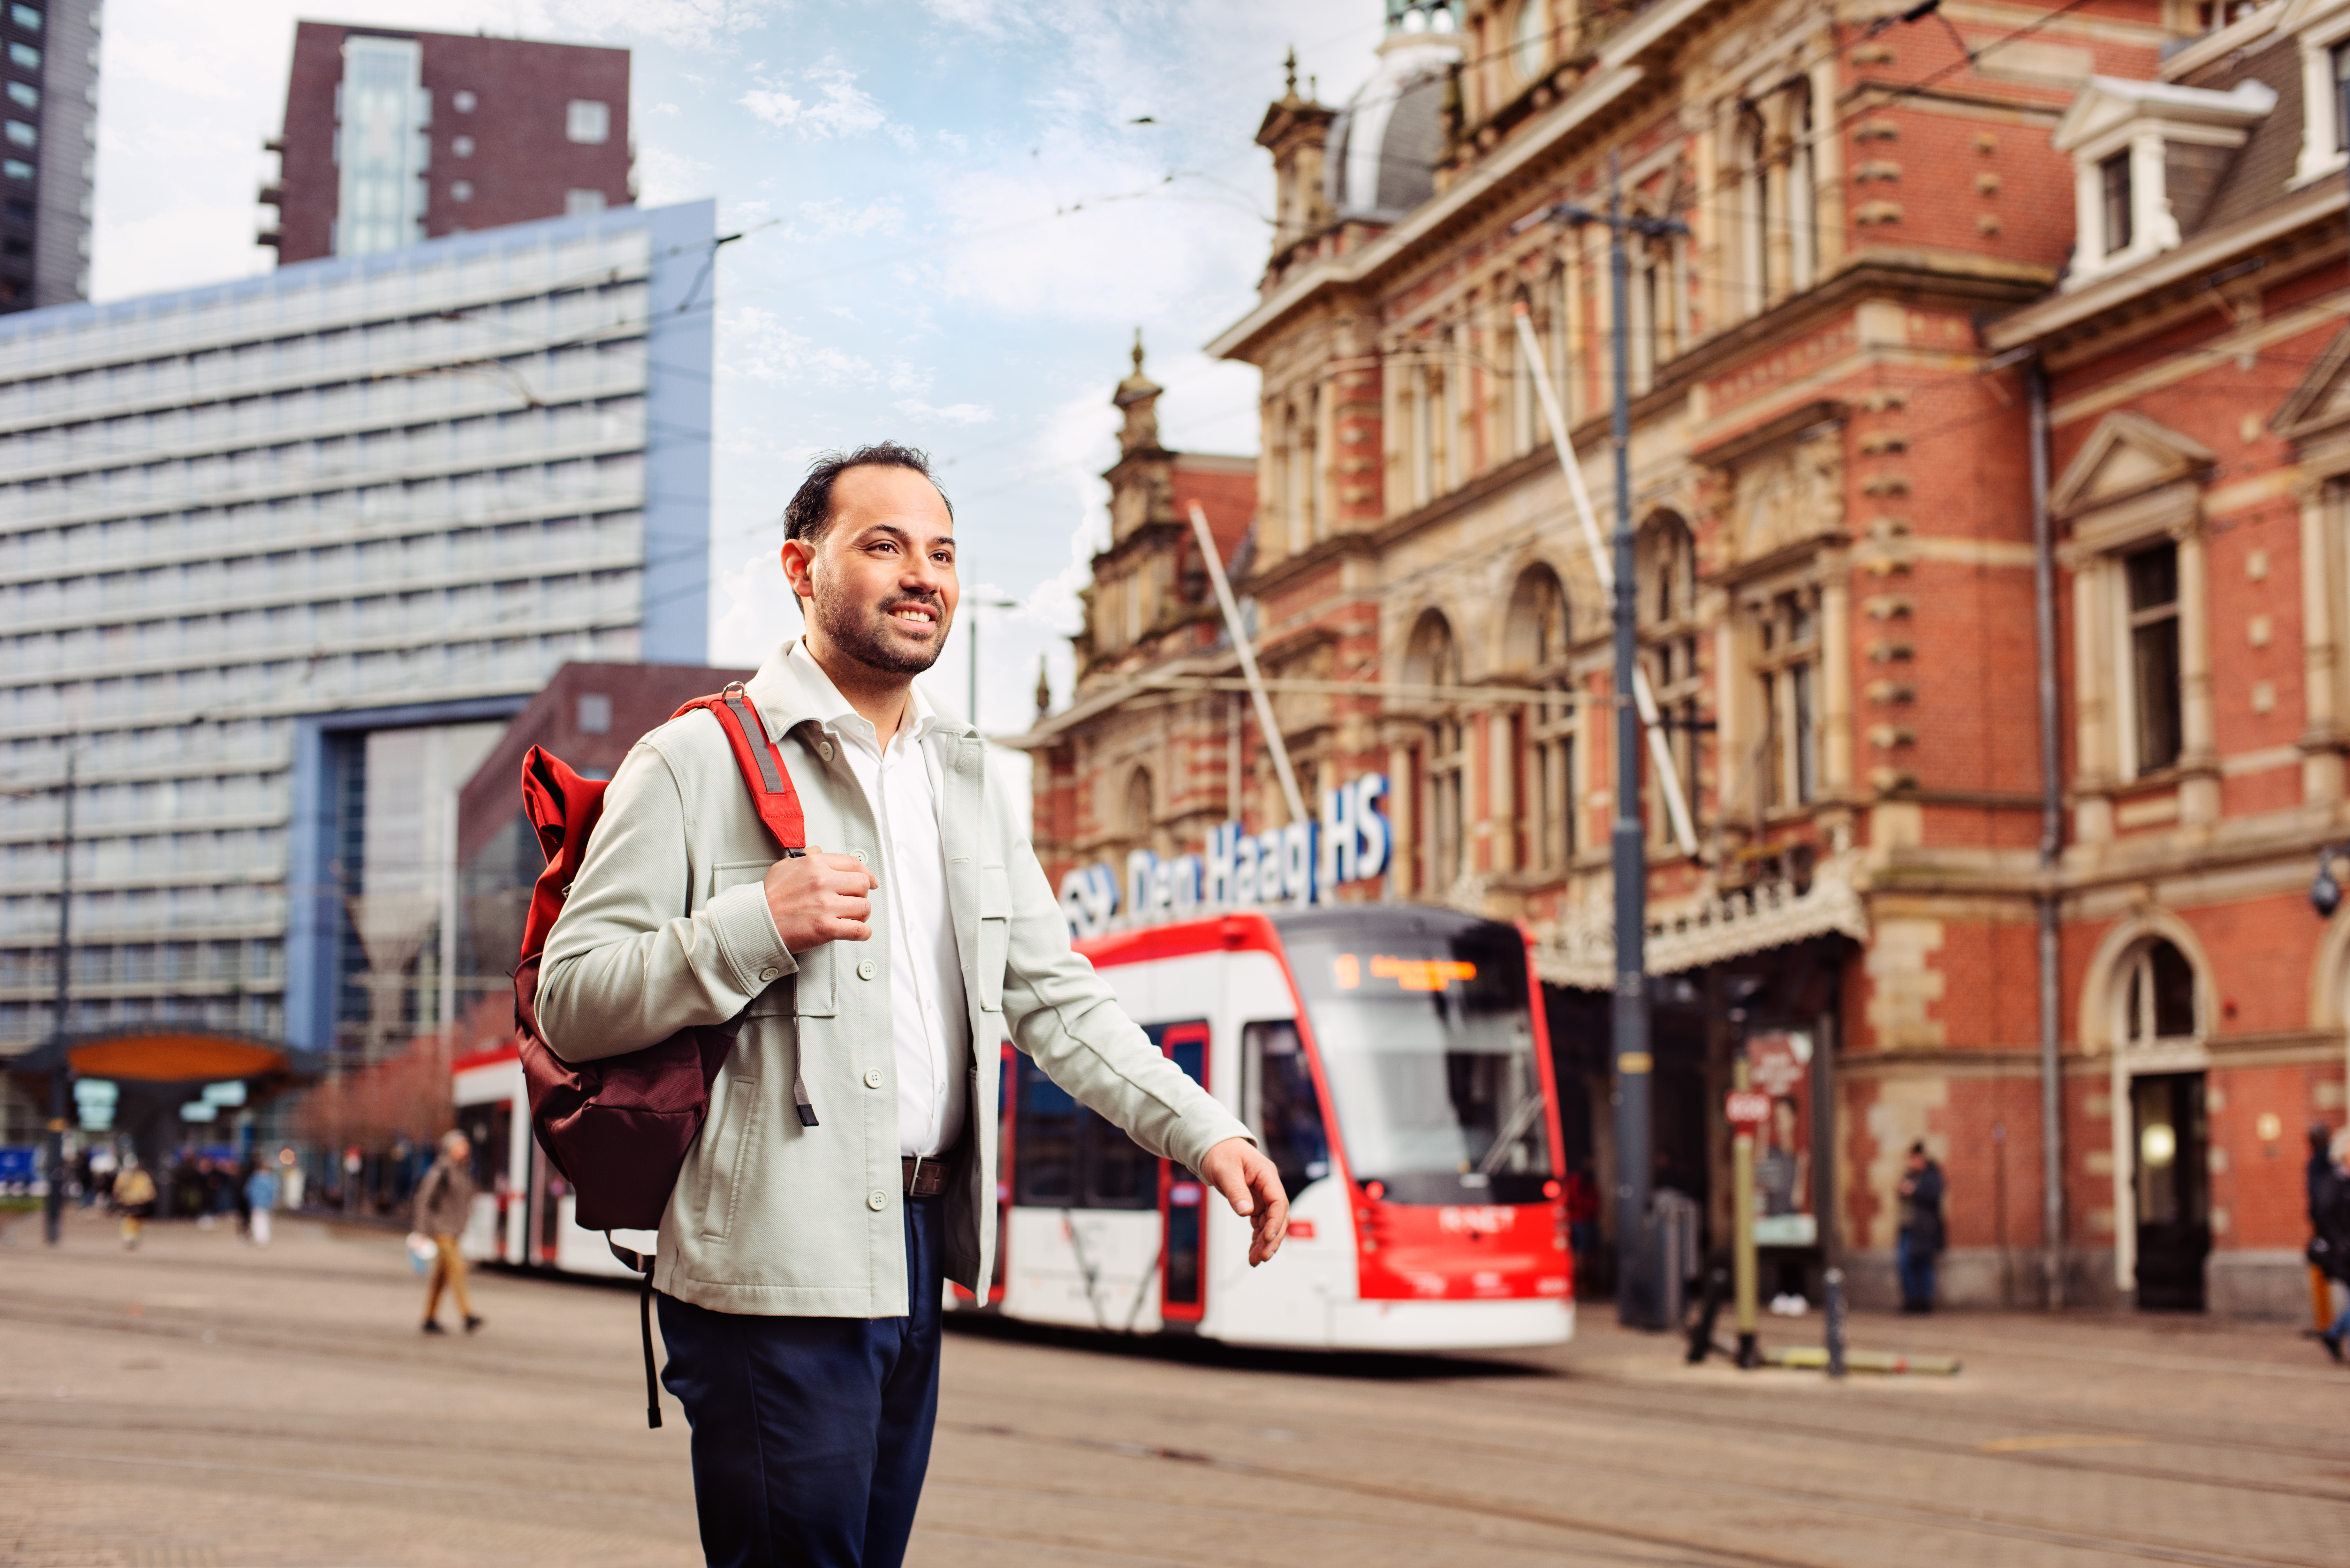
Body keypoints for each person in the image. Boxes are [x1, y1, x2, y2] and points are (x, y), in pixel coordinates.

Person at [537, 443, 1288, 1568]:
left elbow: (1051, 992)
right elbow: (572, 1002)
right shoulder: (694, 760)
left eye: (940, 550)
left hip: (917, 1248)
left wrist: (1206, 1129)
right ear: (803, 566)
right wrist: (754, 921)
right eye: (882, 545)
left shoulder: (971, 777)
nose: (921, 574)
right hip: (769, 1268)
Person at [412, 1130, 481, 1335]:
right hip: (441, 1230)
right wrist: (422, 1231)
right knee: (458, 1269)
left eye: (465, 1146)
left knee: (441, 1278)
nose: (464, 1150)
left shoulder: (464, 1171)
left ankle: (429, 1318)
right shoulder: (441, 1171)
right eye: (459, 1146)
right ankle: (468, 1315)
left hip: (454, 1230)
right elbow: (424, 1200)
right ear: (450, 1149)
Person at [1896, 1141, 1945, 1313]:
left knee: (1924, 1264)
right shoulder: (1909, 1175)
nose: (1911, 1163)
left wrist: (1914, 1191)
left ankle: (1924, 1302)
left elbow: (1935, 1194)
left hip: (1925, 1229)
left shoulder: (1932, 1175)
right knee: (1906, 1264)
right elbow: (1901, 1196)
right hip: (1909, 1227)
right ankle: (1912, 1300)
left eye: (1914, 1159)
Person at [2315, 1130, 2350, 1363]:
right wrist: (2340, 1243)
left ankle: (2333, 1333)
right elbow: (2323, 1215)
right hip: (2344, 1254)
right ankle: (2334, 1333)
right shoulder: (2334, 1182)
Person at [111, 1156, 156, 1249]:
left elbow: (149, 1190)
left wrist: (148, 1197)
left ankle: (135, 1236)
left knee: (139, 1220)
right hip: (127, 1202)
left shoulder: (143, 1176)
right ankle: (128, 1236)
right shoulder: (123, 1176)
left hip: (140, 1203)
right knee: (128, 1219)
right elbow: (118, 1189)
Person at [245, 1160, 279, 1248]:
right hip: (266, 1203)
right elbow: (274, 1191)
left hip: (256, 1202)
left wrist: (250, 1199)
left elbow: (249, 1190)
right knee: (265, 1220)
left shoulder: (255, 1178)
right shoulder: (271, 1179)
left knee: (257, 1220)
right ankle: (264, 1238)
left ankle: (259, 1237)